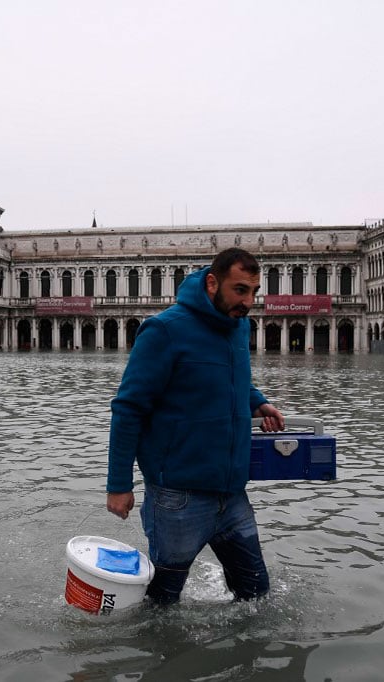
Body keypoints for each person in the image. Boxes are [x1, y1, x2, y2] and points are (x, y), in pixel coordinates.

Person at [106, 247, 285, 606]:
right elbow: (128, 409)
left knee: (257, 597)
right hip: (178, 496)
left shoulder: (237, 327)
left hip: (232, 491)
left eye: (254, 291)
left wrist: (258, 400)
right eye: (240, 290)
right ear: (212, 283)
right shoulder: (165, 330)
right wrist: (119, 485)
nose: (249, 302)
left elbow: (231, 380)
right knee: (162, 605)